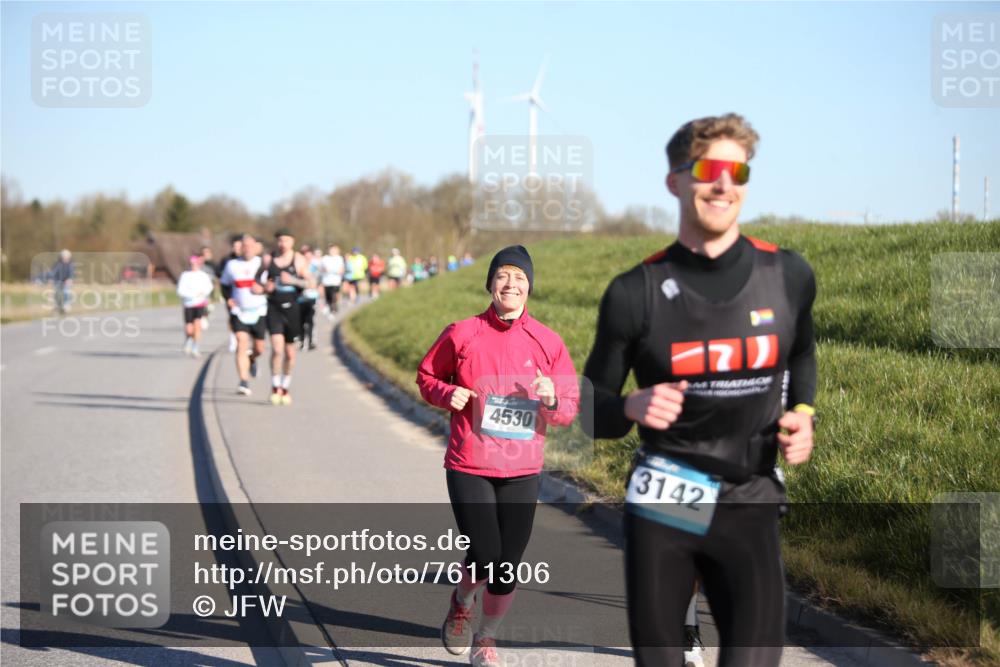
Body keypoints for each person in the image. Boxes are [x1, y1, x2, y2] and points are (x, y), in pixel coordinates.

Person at [581, 113, 817, 667]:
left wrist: (803, 411)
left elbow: (802, 351)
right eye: (710, 169)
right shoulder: (633, 292)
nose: (725, 184)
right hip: (668, 495)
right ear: (675, 182)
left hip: (749, 496)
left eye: (739, 171)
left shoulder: (787, 274)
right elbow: (593, 409)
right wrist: (630, 405)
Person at [417, 246, 580, 667]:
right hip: (470, 463)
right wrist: (447, 393)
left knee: (507, 566)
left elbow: (568, 410)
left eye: (520, 278)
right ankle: (462, 601)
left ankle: (485, 638)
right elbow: (427, 375)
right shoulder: (463, 333)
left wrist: (552, 398)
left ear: (530, 287)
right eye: (503, 276)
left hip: (523, 468)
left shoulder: (547, 341)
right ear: (490, 284)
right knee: (487, 555)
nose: (511, 284)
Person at [263, 229, 310, 405]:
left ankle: (285, 386)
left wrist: (293, 281)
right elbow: (259, 282)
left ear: (293, 242)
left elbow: (311, 282)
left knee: (290, 353)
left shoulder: (298, 260)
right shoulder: (268, 259)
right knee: (277, 349)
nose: (283, 244)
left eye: (286, 240)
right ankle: (275, 386)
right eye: (280, 240)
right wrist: (264, 288)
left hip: (292, 308)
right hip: (273, 307)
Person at [219, 234, 267, 396]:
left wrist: (264, 289)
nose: (247, 249)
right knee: (241, 343)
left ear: (255, 247)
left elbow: (272, 283)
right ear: (240, 248)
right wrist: (228, 299)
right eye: (244, 246)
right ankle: (243, 381)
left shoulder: (262, 264)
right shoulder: (232, 265)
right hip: (239, 311)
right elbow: (224, 284)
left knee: (259, 348)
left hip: (259, 310)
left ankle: (252, 359)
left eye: (250, 246)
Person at [176, 255, 214, 358]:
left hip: (200, 303)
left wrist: (202, 293)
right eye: (192, 264)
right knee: (189, 329)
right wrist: (189, 294)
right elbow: (180, 290)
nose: (193, 265)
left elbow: (209, 287)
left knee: (197, 326)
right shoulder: (185, 275)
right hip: (188, 304)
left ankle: (195, 347)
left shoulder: (203, 275)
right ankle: (189, 339)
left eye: (195, 263)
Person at [220, 234, 245, 352]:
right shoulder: (227, 261)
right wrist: (227, 297)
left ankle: (244, 341)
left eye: (239, 246)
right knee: (232, 318)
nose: (237, 248)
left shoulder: (250, 259)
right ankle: (233, 339)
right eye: (234, 246)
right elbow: (221, 277)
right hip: (232, 295)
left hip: (245, 296)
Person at [298, 245, 321, 350]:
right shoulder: (297, 267)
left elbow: (317, 282)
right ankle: (302, 341)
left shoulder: (314, 267)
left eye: (308, 255)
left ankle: (311, 341)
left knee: (310, 320)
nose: (306, 257)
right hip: (299, 297)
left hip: (312, 296)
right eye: (304, 255)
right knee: (300, 321)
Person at [320, 244, 345, 318]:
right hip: (327, 281)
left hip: (336, 281)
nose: (332, 251)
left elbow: (342, 269)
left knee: (334, 294)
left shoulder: (339, 258)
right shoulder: (325, 258)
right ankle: (330, 306)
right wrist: (325, 270)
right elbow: (321, 268)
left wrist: (340, 272)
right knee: (328, 296)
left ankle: (334, 307)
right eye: (331, 250)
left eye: (334, 250)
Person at [50, 249, 75, 315]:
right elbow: (54, 272)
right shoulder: (58, 264)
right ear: (61, 257)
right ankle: (57, 307)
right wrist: (52, 279)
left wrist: (70, 279)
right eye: (64, 257)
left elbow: (71, 273)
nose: (66, 259)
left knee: (66, 293)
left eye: (67, 257)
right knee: (57, 294)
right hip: (58, 281)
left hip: (66, 281)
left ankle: (65, 307)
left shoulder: (70, 264)